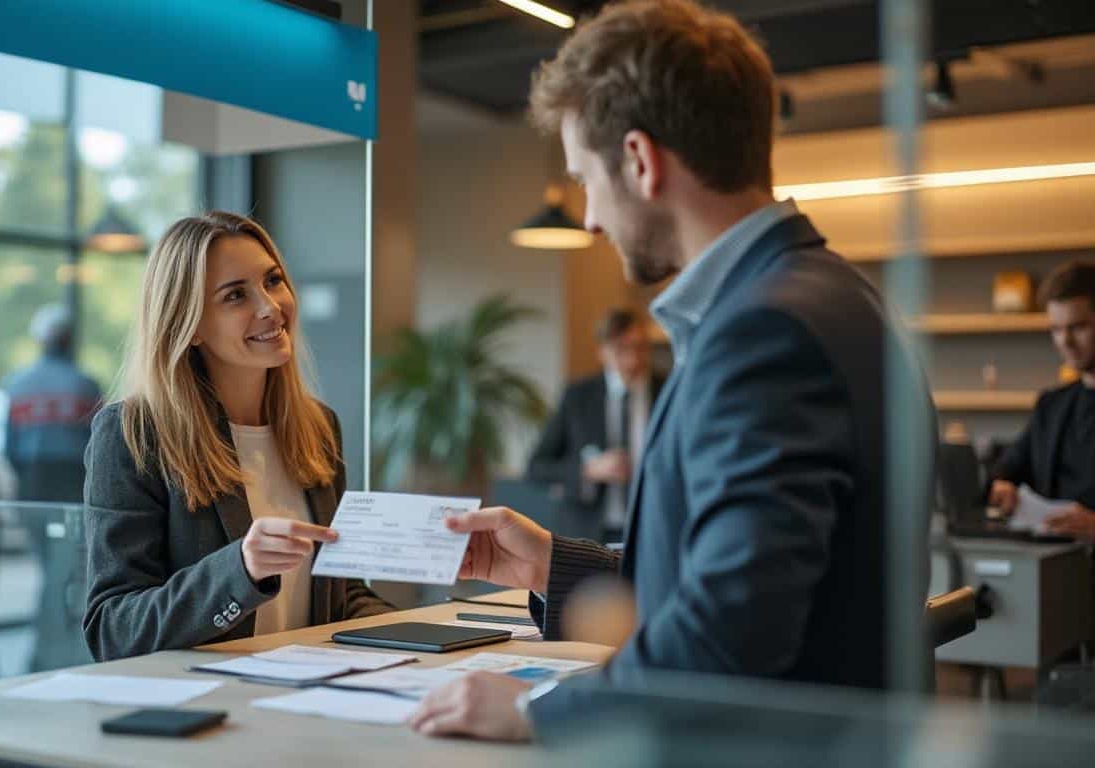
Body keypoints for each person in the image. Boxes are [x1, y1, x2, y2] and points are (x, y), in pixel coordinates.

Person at [407, 0, 934, 741]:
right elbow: (740, 574)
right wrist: (554, 566)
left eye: (586, 180)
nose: (588, 219)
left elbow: (732, 631)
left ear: (640, 162)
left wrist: (536, 712)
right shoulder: (830, 296)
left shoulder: (763, 331)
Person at [82, 211, 394, 660]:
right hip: (206, 711)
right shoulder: (134, 434)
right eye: (235, 296)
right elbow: (113, 630)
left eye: (273, 281)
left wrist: (433, 636)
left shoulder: (318, 428)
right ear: (187, 325)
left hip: (308, 700)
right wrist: (240, 571)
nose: (270, 306)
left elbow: (339, 598)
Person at [527, 308, 664, 541]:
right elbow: (536, 467)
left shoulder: (667, 390)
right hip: (588, 534)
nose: (633, 358)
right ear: (602, 351)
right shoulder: (578, 396)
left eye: (640, 347)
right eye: (621, 348)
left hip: (654, 530)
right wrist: (588, 469)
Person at [989, 261, 1095, 542]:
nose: (1065, 341)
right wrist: (1003, 485)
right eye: (1056, 330)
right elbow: (1008, 467)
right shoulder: (1051, 405)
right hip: (1053, 570)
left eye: (1078, 327)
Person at [3, 303, 101, 503]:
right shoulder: (87, 385)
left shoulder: (17, 384)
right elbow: (97, 443)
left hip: (32, 472)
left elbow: (10, 444)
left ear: (39, 339)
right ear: (70, 339)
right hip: (76, 474)